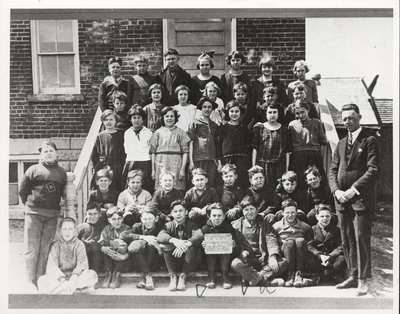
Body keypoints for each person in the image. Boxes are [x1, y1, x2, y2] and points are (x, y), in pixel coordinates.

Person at [329, 103, 380, 296]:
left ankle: (363, 279)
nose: (347, 121)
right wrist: (336, 191)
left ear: (359, 117)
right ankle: (352, 274)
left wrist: (353, 190)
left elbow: (373, 169)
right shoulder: (341, 143)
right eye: (344, 119)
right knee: (347, 237)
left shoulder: (370, 140)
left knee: (360, 238)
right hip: (341, 199)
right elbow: (333, 169)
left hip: (360, 198)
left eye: (351, 117)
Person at [19, 141, 67, 290]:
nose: (48, 153)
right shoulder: (33, 170)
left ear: (56, 153)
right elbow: (22, 190)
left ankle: (40, 278)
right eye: (45, 151)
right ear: (41, 155)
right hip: (34, 214)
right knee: (32, 247)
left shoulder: (61, 172)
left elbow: (62, 192)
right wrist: (28, 205)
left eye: (51, 150)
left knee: (45, 248)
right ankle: (29, 280)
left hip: (52, 215)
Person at [231, 196, 288, 287]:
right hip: (247, 260)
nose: (249, 212)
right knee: (235, 263)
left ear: (257, 210)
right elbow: (235, 244)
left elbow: (271, 240)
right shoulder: (235, 225)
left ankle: (252, 279)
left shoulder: (265, 224)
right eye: (246, 210)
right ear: (242, 211)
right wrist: (241, 252)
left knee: (283, 262)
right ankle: (265, 281)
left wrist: (272, 257)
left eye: (252, 209)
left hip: (263, 259)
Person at [37, 217, 98, 294]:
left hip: (76, 278)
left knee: (92, 275)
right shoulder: (55, 245)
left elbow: (82, 264)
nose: (67, 232)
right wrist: (62, 279)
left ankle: (61, 292)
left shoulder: (79, 244)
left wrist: (74, 277)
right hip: (59, 279)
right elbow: (52, 266)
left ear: (75, 231)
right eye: (64, 229)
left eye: (70, 229)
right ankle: (77, 291)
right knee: (42, 280)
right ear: (60, 231)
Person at [157, 200, 203, 291]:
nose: (178, 214)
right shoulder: (168, 225)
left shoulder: (192, 224)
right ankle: (172, 276)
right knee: (164, 245)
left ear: (186, 212)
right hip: (174, 260)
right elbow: (160, 236)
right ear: (172, 213)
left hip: (189, 261)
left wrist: (185, 244)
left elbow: (199, 235)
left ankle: (183, 277)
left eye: (180, 211)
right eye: (175, 211)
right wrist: (174, 241)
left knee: (193, 245)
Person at [273, 199, 314, 287]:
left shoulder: (305, 227)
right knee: (289, 242)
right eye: (287, 212)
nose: (290, 215)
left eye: (293, 212)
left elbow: (310, 244)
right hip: (284, 256)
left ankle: (299, 273)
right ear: (282, 213)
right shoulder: (276, 227)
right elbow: (273, 243)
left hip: (301, 256)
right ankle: (290, 274)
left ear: (296, 212)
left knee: (300, 240)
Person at [287, 100, 327, 190]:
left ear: (308, 110)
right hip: (298, 157)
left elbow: (323, 141)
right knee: (300, 181)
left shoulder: (316, 122)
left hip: (314, 155)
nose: (300, 115)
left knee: (316, 178)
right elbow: (289, 145)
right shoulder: (292, 125)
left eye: (302, 112)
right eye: (297, 113)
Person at [149, 106, 191, 191]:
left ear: (175, 118)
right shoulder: (157, 132)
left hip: (176, 163)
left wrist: (182, 169)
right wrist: (153, 169)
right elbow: (152, 152)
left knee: (176, 186)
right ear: (162, 118)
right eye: (167, 116)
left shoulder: (180, 132)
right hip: (160, 163)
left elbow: (185, 152)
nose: (169, 118)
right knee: (162, 185)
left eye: (172, 116)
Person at [120, 208, 163, 290]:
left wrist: (157, 246)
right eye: (145, 219)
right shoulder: (137, 226)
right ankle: (148, 276)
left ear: (156, 219)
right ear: (141, 219)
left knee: (151, 245)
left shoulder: (160, 227)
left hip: (155, 260)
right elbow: (123, 235)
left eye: (150, 219)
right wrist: (143, 237)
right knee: (138, 246)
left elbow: (161, 247)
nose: (147, 221)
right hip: (139, 261)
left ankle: (144, 277)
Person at [216, 100, 252, 189]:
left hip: (242, 162)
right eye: (231, 111)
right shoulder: (222, 128)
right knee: (228, 182)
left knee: (241, 183)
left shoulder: (245, 129)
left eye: (237, 111)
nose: (234, 114)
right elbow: (218, 147)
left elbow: (248, 147)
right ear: (228, 113)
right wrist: (219, 163)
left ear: (240, 113)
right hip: (227, 160)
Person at [251, 103, 288, 189]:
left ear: (278, 114)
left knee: (278, 189)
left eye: (275, 112)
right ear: (266, 114)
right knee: (265, 190)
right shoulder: (260, 128)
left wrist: (286, 168)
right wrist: (254, 166)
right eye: (270, 112)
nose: (272, 115)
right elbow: (255, 148)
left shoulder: (284, 129)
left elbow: (287, 151)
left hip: (279, 165)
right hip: (263, 164)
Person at [201, 203, 238, 289]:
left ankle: (225, 276)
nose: (217, 218)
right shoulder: (205, 229)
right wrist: (203, 245)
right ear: (209, 216)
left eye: (219, 215)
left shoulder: (229, 228)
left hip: (225, 261)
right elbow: (199, 245)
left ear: (224, 216)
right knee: (210, 251)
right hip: (209, 261)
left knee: (225, 250)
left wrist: (233, 244)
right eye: (214, 215)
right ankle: (211, 276)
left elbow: (236, 245)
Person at [306, 204, 346, 283]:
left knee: (342, 259)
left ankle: (321, 276)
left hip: (331, 259)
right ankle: (328, 275)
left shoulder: (337, 230)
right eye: (322, 216)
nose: (325, 219)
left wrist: (330, 256)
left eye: (327, 216)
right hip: (317, 259)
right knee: (308, 258)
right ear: (316, 216)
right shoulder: (311, 229)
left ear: (331, 216)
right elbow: (309, 246)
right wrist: (319, 255)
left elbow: (340, 246)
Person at [91, 109, 125, 191]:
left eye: (111, 119)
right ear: (103, 121)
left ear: (115, 121)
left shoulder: (120, 135)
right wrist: (97, 166)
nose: (109, 122)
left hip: (116, 166)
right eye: (106, 120)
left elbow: (123, 154)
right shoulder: (100, 136)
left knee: (115, 188)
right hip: (102, 166)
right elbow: (94, 155)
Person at [188, 97, 219, 187]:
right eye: (204, 107)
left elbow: (216, 144)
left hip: (211, 159)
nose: (207, 109)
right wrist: (191, 161)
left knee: (210, 182)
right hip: (199, 158)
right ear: (201, 108)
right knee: (198, 181)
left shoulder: (214, 125)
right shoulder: (195, 123)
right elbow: (191, 142)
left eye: (209, 107)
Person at [122, 106, 154, 193]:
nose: (136, 120)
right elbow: (127, 149)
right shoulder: (127, 133)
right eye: (134, 118)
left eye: (139, 118)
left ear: (143, 119)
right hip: (131, 162)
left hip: (145, 162)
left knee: (145, 185)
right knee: (131, 184)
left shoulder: (148, 132)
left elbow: (150, 149)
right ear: (130, 119)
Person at [99, 206, 130, 289]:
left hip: (124, 259)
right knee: (107, 248)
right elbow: (102, 242)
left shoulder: (127, 229)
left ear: (123, 219)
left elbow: (128, 246)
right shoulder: (106, 229)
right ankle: (108, 275)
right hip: (109, 258)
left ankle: (116, 276)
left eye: (119, 218)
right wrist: (106, 248)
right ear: (109, 220)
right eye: (113, 219)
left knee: (119, 246)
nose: (117, 221)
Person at [77, 201, 108, 275]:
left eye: (95, 214)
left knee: (95, 246)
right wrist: (85, 243)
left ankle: (94, 274)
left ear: (100, 214)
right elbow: (74, 241)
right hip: (85, 257)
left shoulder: (104, 226)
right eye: (90, 214)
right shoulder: (82, 227)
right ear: (86, 214)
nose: (92, 217)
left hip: (98, 257)